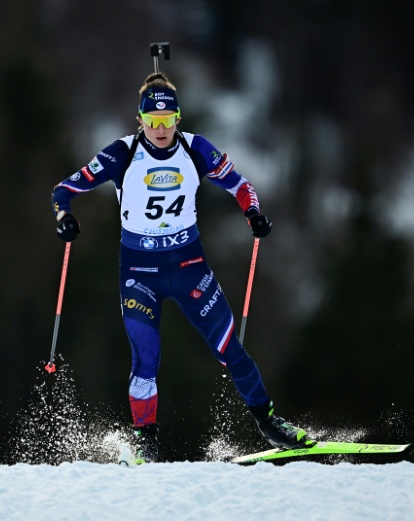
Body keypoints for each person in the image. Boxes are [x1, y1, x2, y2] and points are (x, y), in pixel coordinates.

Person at [51, 72, 313, 462]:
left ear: (178, 118)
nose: (161, 129)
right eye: (153, 121)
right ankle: (147, 442)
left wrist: (253, 213)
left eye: (168, 120)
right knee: (146, 357)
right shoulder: (121, 153)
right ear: (140, 120)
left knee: (230, 349)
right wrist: (64, 218)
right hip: (139, 273)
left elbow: (242, 186)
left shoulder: (196, 149)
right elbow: (64, 190)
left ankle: (270, 423)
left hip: (189, 265)